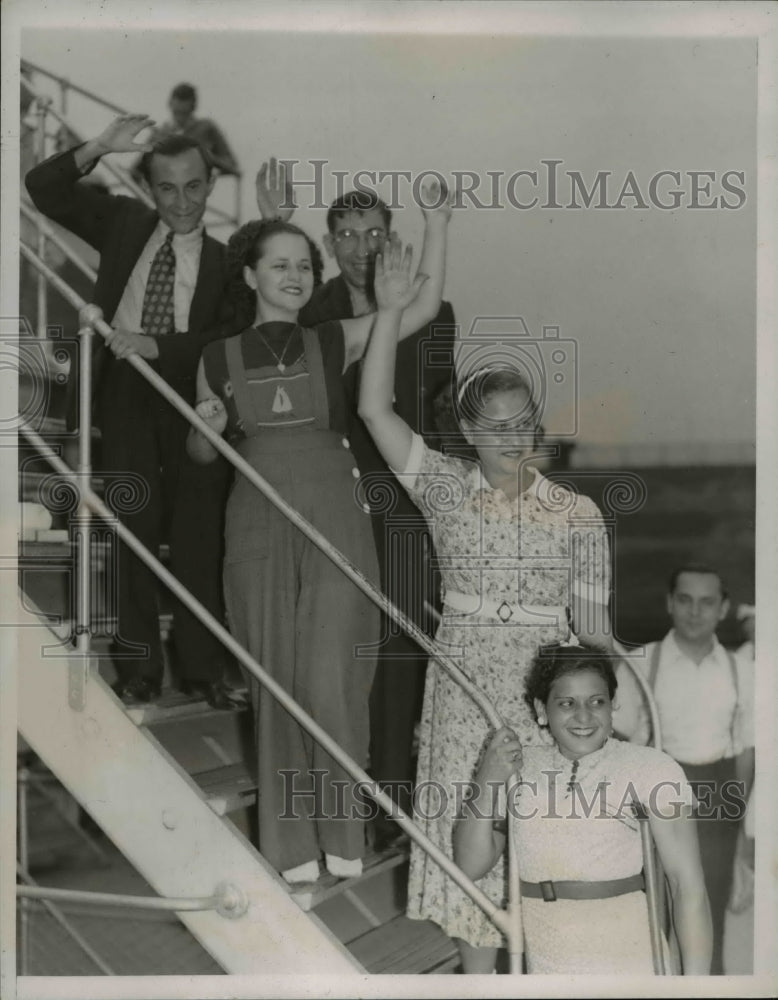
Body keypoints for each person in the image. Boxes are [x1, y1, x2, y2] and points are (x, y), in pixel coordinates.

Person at [186, 185, 453, 883]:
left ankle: (344, 832)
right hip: (255, 516)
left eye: (305, 265)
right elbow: (200, 451)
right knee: (274, 677)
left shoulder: (332, 336)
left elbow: (420, 308)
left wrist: (438, 225)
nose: (296, 276)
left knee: (334, 675)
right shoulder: (216, 357)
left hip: (334, 508)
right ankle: (291, 848)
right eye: (280, 265)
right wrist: (204, 431)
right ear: (250, 276)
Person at [358, 325, 612, 971]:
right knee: (469, 835)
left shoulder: (577, 513)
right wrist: (388, 313)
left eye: (521, 423)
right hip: (464, 690)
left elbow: (595, 635)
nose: (511, 438)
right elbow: (371, 409)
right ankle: (478, 983)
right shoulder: (445, 487)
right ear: (468, 433)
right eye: (494, 426)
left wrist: (624, 723)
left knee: (542, 836)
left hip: (542, 694)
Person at [255, 162, 457, 850]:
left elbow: (433, 411)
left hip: (399, 502)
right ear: (330, 245)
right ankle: (333, 794)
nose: (362, 246)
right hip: (326, 495)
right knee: (327, 647)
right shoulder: (310, 313)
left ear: (390, 238)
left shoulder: (435, 311)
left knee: (398, 645)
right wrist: (268, 218)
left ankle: (392, 803)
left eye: (374, 232)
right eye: (347, 235)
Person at [26, 113, 238, 707]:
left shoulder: (225, 262)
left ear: (211, 183)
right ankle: (140, 668)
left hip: (194, 399)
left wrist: (160, 346)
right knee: (129, 529)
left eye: (193, 186)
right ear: (150, 188)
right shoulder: (122, 222)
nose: (181, 202)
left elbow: (228, 337)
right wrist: (97, 146)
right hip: (125, 390)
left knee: (198, 537)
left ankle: (202, 668)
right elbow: (43, 190)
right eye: (167, 187)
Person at [453, 643, 712, 974]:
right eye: (566, 703)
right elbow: (470, 865)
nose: (584, 716)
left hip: (630, 965)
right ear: (541, 709)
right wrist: (487, 778)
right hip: (547, 968)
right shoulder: (518, 770)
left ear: (612, 705)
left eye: (597, 702)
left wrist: (697, 987)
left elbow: (687, 887)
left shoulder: (650, 768)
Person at [612, 565, 755, 974]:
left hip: (716, 802)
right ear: (669, 604)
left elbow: (745, 757)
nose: (696, 611)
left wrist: (741, 842)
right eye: (685, 600)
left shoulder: (742, 671)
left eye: (707, 602)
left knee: (706, 924)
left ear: (723, 608)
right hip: (654, 799)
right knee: (649, 918)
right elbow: (615, 744)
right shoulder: (641, 661)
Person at [132, 83, 240, 180]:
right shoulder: (159, 134)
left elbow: (231, 164)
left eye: (184, 114)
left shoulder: (206, 128)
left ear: (193, 109)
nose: (179, 119)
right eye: (176, 113)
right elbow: (136, 171)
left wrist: (207, 158)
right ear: (170, 105)